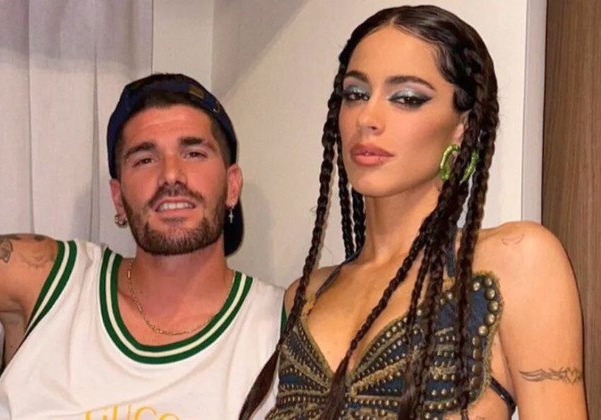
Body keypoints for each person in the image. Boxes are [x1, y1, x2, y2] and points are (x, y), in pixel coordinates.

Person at [240, 5, 587, 420]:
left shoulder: (517, 260)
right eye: (355, 94)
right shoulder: (306, 294)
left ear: (462, 127)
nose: (368, 118)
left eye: (407, 98)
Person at [0, 73, 283, 420]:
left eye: (194, 153)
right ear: (118, 199)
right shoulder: (48, 278)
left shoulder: (281, 328)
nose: (171, 175)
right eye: (145, 159)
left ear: (232, 186)